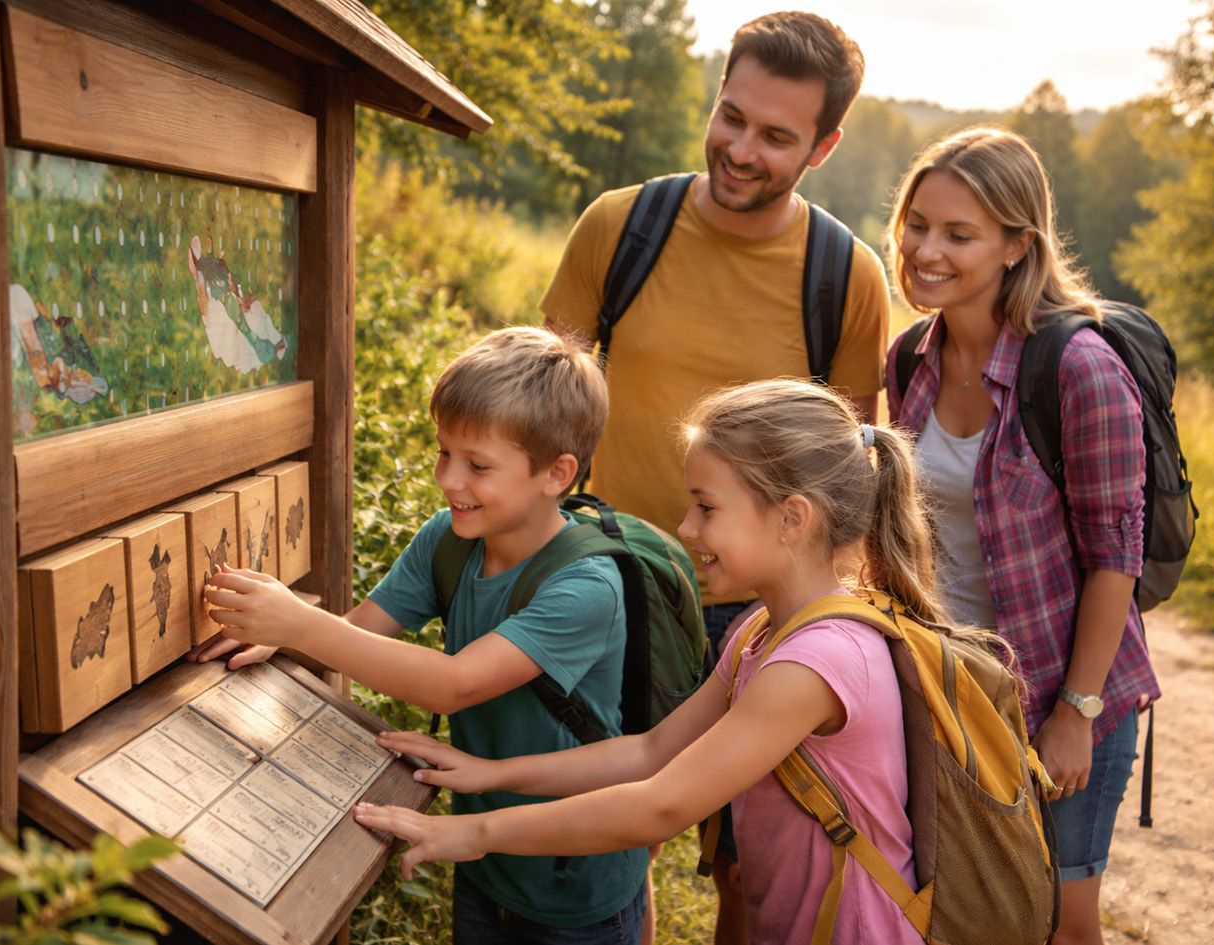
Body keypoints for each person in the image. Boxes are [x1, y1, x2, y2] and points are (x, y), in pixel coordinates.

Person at [354, 378, 996, 945]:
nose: (686, 528)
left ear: (792, 519)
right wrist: (489, 773)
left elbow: (662, 804)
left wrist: (476, 833)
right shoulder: (764, 631)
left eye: (707, 507)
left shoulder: (817, 661)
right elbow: (650, 751)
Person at [540, 14, 890, 938]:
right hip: (611, 581)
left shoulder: (844, 275)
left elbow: (844, 468)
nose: (739, 149)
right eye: (729, 116)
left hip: (759, 603)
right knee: (611, 832)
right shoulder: (620, 226)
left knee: (750, 859)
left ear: (824, 145)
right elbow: (542, 408)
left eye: (775, 136)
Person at [197, 327, 649, 945]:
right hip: (478, 857)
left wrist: (302, 623)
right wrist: (280, 635)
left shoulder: (585, 587)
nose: (449, 479)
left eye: (478, 465)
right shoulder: (448, 540)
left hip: (573, 881)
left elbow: (454, 686)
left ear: (556, 473)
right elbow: (359, 633)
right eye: (444, 453)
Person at [881, 127, 1161, 945]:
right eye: (916, 223)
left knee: (1061, 924)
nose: (925, 250)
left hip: (1057, 694)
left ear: (1016, 245)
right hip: (949, 689)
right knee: (964, 908)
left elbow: (1116, 559)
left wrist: (1073, 711)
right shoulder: (910, 361)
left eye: (957, 234)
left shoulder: (1077, 368)